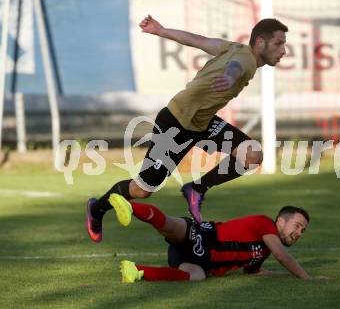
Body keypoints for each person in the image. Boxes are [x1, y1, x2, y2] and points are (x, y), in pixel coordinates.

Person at [86, 15, 288, 242]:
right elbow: (235, 68)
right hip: (176, 124)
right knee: (142, 190)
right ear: (260, 42)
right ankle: (97, 208)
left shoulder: (234, 47)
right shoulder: (246, 60)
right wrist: (230, 78)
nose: (283, 50)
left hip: (202, 122)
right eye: (278, 43)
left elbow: (198, 40)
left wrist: (162, 30)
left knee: (251, 154)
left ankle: (197, 188)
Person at [105, 194, 313, 282]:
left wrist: (282, 276)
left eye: (303, 231)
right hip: (204, 237)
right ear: (280, 221)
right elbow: (283, 256)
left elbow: (253, 272)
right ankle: (130, 206)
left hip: (201, 262)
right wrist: (307, 278)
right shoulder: (265, 223)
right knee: (169, 226)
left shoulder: (263, 250)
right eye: (297, 225)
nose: (299, 233)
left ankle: (137, 271)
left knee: (196, 276)